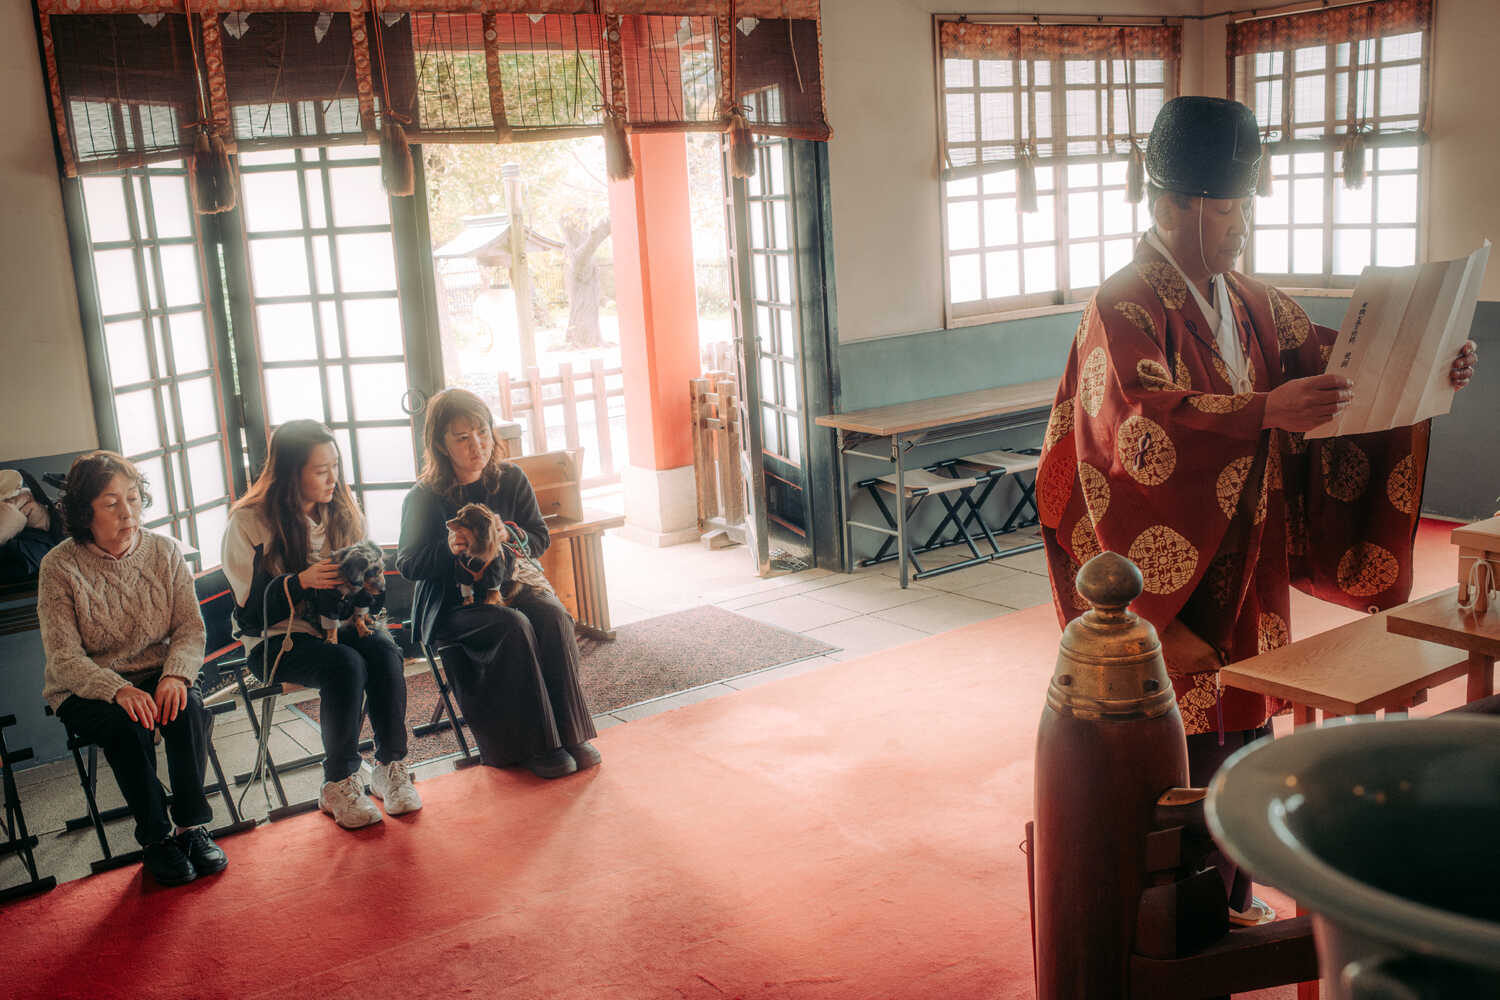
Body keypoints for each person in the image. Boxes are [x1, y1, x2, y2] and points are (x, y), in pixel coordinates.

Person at [1037, 96, 1479, 925]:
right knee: (1189, 728)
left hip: (1250, 542)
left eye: (1243, 206)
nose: (1241, 225)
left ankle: (1231, 892)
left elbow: (1344, 365)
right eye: (1228, 207)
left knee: (1246, 715)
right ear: (1173, 204)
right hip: (1173, 554)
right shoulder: (1123, 304)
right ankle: (1178, 910)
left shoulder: (1247, 300)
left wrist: (1433, 363)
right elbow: (1136, 423)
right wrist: (1264, 411)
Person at [38, 451, 226, 887]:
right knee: (128, 725)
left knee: (187, 708)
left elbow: (190, 628)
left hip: (158, 670)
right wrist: (117, 689)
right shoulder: (58, 567)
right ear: (84, 512)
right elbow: (64, 658)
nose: (128, 512)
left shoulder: (164, 551)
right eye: (111, 503)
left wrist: (176, 674)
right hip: (85, 685)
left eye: (134, 498)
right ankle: (156, 838)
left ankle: (191, 827)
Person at [222, 420, 420, 829]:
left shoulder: (343, 510)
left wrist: (366, 585)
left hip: (340, 624)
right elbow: (248, 614)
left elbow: (369, 588)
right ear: (290, 473)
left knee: (384, 650)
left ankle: (389, 766)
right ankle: (338, 781)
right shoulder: (248, 522)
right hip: (275, 640)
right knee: (344, 664)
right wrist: (300, 582)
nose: (333, 478)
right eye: (320, 470)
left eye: (335, 466)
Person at [398, 388, 599, 778]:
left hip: (512, 585)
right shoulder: (423, 496)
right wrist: (448, 549)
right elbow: (407, 563)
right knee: (512, 625)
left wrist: (509, 535)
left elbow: (539, 538)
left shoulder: (510, 478)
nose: (477, 445)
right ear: (441, 444)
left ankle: (571, 735)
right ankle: (534, 745)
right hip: (453, 604)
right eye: (463, 437)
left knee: (553, 615)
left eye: (482, 432)